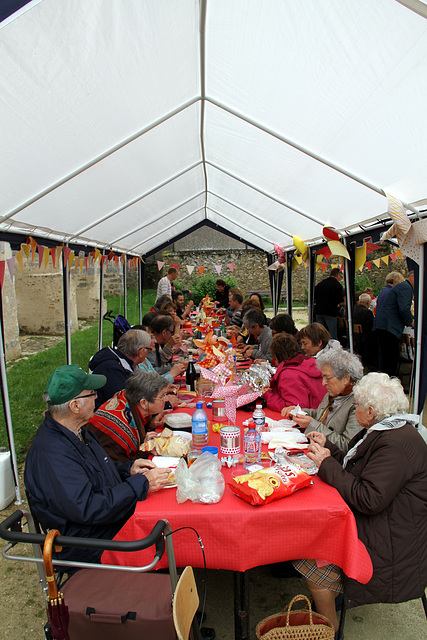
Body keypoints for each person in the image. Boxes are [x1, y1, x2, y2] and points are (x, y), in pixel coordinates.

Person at [293, 373, 427, 637]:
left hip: (392, 543)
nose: (355, 409)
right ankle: (329, 606)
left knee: (311, 554)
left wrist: (326, 464)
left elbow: (368, 499)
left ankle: (328, 630)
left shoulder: (395, 444)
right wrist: (329, 448)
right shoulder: (387, 431)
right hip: (386, 524)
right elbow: (360, 468)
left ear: (371, 411)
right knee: (313, 535)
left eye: (358, 405)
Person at [24, 365, 170, 567]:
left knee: (165, 515)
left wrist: (128, 469)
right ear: (75, 406)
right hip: (88, 544)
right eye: (92, 394)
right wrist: (139, 484)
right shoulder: (52, 453)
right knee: (162, 541)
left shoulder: (78, 430)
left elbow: (99, 471)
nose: (97, 398)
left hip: (105, 523)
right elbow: (88, 508)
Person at [282, 348, 363, 453]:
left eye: (327, 378)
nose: (323, 383)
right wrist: (298, 412)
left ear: (346, 379)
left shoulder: (358, 405)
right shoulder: (334, 394)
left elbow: (347, 446)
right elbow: (319, 414)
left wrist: (312, 425)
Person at [87, 371, 169, 463]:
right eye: (162, 396)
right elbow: (124, 467)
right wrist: (144, 449)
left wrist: (150, 424)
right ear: (144, 403)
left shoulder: (126, 400)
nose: (166, 399)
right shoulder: (118, 433)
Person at [89, 329, 150, 410]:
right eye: (148, 350)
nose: (149, 352)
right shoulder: (112, 369)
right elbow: (124, 403)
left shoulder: (126, 364)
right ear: (141, 351)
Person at [263, 335, 324, 412]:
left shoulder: (288, 374)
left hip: (312, 417)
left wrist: (268, 396)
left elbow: (294, 408)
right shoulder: (309, 362)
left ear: (276, 357)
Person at [373, 271, 415, 377]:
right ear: (413, 277)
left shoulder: (386, 290)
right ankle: (390, 383)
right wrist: (412, 322)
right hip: (390, 327)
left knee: (384, 358)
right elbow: (404, 309)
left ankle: (384, 380)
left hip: (382, 325)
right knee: (391, 359)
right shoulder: (406, 287)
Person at [314, 267, 345, 339]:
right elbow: (339, 301)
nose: (340, 279)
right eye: (341, 277)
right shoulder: (337, 286)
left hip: (319, 311)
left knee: (320, 334)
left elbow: (315, 297)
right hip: (330, 312)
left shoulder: (320, 284)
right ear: (338, 275)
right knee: (332, 335)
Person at [353, 293, 376, 367]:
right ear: (368, 302)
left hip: (355, 337)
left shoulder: (353, 311)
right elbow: (371, 327)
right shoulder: (367, 313)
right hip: (364, 339)